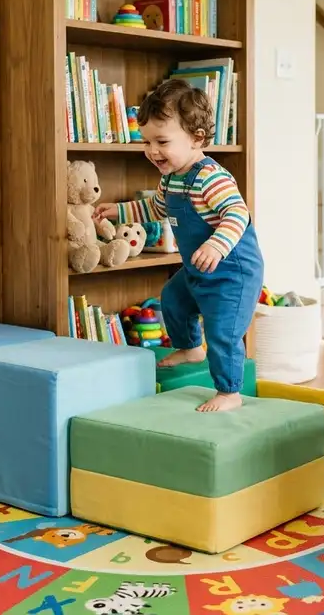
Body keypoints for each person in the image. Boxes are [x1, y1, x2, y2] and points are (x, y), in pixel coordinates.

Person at [95, 79, 264, 412]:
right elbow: (153, 209)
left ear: (196, 138)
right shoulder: (171, 177)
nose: (152, 151)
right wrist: (118, 210)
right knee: (172, 299)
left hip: (233, 272)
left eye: (162, 141)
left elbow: (237, 214)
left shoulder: (211, 177)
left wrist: (217, 245)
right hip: (197, 269)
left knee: (222, 331)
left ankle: (230, 392)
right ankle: (190, 348)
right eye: (146, 142)